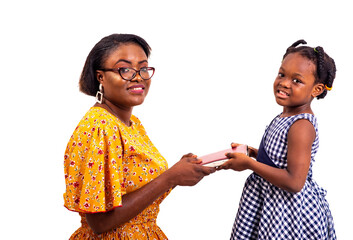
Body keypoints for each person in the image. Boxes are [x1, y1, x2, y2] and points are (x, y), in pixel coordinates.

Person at [63, 33, 215, 239]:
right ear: (101, 77)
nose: (138, 77)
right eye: (124, 69)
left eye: (143, 68)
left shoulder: (131, 124)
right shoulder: (100, 127)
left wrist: (179, 170)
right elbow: (99, 222)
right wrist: (170, 178)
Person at [219, 40, 337, 239]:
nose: (284, 82)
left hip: (286, 210)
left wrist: (249, 164)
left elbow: (294, 181)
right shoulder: (286, 115)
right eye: (282, 74)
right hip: (267, 199)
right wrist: (253, 153)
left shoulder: (302, 126)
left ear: (316, 90)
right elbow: (280, 160)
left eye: (296, 80)